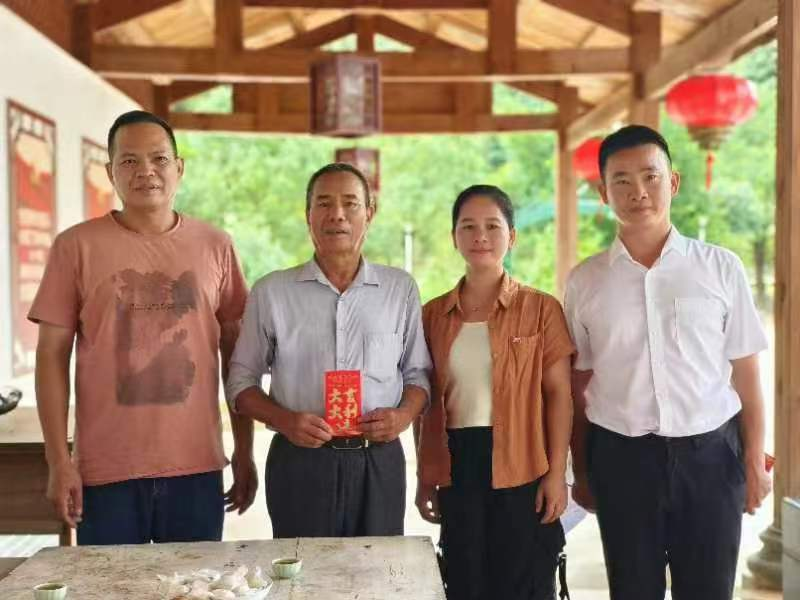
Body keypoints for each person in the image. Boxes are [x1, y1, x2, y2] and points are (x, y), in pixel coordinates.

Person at [30, 110, 257, 545]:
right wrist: (59, 461)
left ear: (179, 168)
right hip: (106, 472)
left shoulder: (215, 246)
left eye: (159, 159)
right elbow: (51, 356)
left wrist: (243, 451)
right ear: (110, 172)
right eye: (129, 161)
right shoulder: (75, 247)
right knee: (109, 581)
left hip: (196, 467)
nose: (146, 171)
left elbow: (237, 358)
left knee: (195, 581)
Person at [565, 125, 772, 600]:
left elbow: (747, 374)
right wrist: (583, 468)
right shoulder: (585, 282)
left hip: (712, 458)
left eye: (650, 176)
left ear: (673, 182)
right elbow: (578, 383)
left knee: (709, 590)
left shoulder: (721, 267)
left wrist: (754, 460)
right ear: (603, 193)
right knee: (632, 590)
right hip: (621, 460)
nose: (638, 191)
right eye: (621, 180)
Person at [225, 162, 431, 538]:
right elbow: (240, 382)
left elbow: (418, 375)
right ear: (308, 215)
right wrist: (285, 420)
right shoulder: (272, 292)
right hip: (299, 461)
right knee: (303, 569)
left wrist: (402, 416)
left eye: (350, 203)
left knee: (378, 569)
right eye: (324, 203)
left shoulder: (399, 289)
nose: (337, 214)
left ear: (369, 213)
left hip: (378, 459)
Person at [415, 185, 574, 600]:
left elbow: (560, 395)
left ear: (512, 236)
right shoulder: (431, 316)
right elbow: (425, 403)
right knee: (465, 581)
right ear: (454, 237)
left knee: (526, 582)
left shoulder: (541, 309)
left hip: (524, 461)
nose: (480, 236)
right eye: (468, 227)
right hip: (457, 464)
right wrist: (425, 476)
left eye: (492, 226)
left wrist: (556, 474)